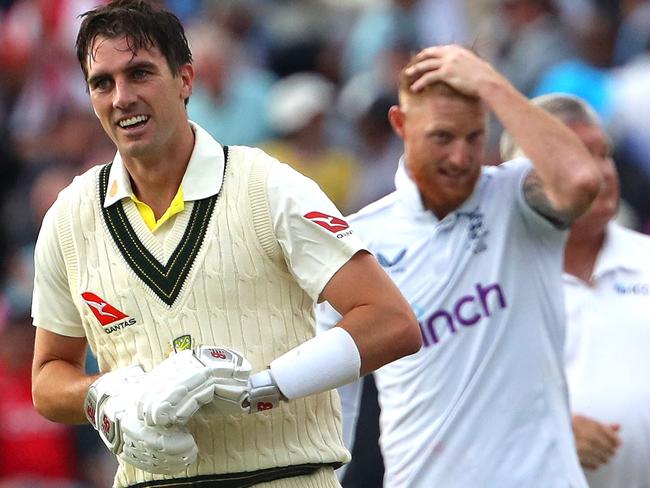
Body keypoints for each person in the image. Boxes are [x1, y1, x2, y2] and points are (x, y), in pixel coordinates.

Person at [29, 1, 421, 487]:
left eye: (140, 73)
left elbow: (393, 322)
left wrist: (263, 387)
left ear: (185, 80)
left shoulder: (268, 187)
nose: (122, 97)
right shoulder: (69, 218)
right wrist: (106, 397)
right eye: (102, 83)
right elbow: (48, 378)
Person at [317, 45, 601, 487]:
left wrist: (491, 83)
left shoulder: (516, 198)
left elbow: (581, 181)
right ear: (400, 124)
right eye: (442, 138)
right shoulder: (358, 241)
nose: (461, 159)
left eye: (474, 137)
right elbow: (334, 401)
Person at [501, 93, 650, 488]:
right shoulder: (493, 282)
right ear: (524, 172)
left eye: (605, 154)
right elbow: (455, 416)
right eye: (580, 155)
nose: (602, 173)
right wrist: (547, 434)